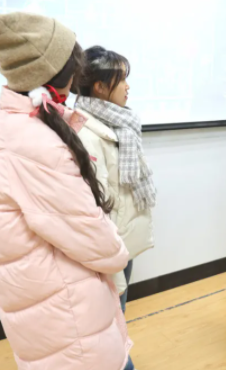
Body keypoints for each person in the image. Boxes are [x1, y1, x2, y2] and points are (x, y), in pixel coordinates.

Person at [0, 12, 132, 370]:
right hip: (67, 316)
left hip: (53, 305)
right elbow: (95, 238)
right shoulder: (36, 143)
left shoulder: (12, 123)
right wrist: (120, 252)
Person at [73, 45, 156, 370]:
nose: (127, 87)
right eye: (121, 80)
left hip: (123, 240)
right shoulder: (87, 132)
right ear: (99, 86)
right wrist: (113, 260)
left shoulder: (118, 122)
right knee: (110, 318)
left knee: (116, 315)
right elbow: (98, 206)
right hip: (110, 245)